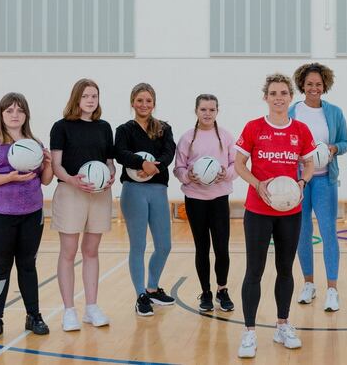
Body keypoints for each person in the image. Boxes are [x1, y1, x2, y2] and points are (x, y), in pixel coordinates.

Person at [234, 73, 315, 358]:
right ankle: (249, 332)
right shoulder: (254, 127)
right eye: (273, 93)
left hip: (290, 211)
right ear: (265, 97)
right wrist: (258, 184)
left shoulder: (301, 130)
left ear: (291, 97)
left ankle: (282, 325)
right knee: (254, 271)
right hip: (258, 210)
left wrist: (302, 182)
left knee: (285, 269)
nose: (278, 98)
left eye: (283, 93)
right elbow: (239, 164)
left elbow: (309, 164)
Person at [0, 93, 53, 342]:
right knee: (0, 267)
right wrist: (9, 177)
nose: (15, 115)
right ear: (1, 114)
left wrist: (48, 163)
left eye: (20, 110)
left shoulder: (35, 143)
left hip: (32, 214)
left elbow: (45, 180)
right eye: (9, 110)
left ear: (26, 114)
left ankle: (33, 316)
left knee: (28, 265)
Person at [50, 78, 115, 331]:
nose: (90, 100)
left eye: (94, 96)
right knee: (68, 251)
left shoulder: (104, 127)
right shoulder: (61, 127)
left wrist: (110, 175)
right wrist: (72, 180)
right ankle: (69, 310)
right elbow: (56, 165)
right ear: (76, 98)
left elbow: (109, 162)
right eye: (86, 95)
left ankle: (91, 307)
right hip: (71, 191)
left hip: (99, 194)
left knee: (91, 251)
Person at [289, 62, 347, 312]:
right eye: (309, 84)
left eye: (318, 84)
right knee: (302, 233)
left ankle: (332, 289)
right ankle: (309, 284)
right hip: (299, 181)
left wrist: (333, 148)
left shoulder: (334, 112)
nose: (314, 88)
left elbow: (345, 142)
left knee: (328, 233)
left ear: (325, 86)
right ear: (302, 85)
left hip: (325, 180)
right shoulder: (292, 111)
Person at [115, 83, 176, 316]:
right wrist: (142, 163)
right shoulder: (124, 130)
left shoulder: (164, 128)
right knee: (138, 245)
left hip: (158, 190)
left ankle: (152, 288)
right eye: (139, 100)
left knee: (164, 245)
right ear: (133, 102)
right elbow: (120, 153)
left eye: (148, 100)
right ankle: (141, 295)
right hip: (133, 191)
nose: (144, 104)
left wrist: (154, 167)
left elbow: (169, 152)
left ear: (154, 103)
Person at [174, 94, 237, 312]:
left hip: (219, 199)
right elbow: (178, 168)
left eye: (212, 109)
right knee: (202, 248)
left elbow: (236, 165)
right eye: (203, 109)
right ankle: (206, 292)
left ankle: (222, 290)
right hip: (195, 200)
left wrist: (226, 174)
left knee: (222, 248)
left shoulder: (226, 137)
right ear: (196, 111)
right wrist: (188, 176)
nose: (207, 113)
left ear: (217, 111)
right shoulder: (187, 138)